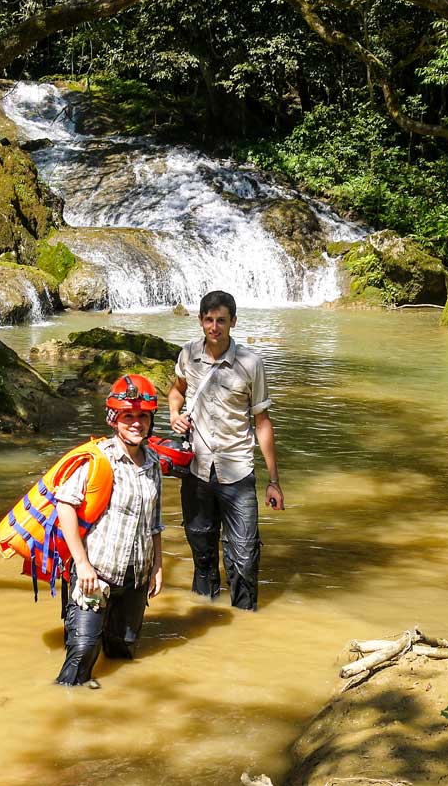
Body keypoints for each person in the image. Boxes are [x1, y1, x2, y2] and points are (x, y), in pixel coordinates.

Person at [168, 290, 282, 611]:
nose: (214, 327)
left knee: (244, 559)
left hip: (237, 471)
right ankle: (205, 627)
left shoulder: (250, 363)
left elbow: (262, 422)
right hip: (197, 472)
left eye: (221, 320)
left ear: (233, 321)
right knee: (202, 558)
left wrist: (273, 480)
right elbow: (176, 392)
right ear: (200, 321)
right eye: (208, 320)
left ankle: (245, 626)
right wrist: (175, 415)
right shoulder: (188, 355)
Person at [54, 374, 165, 686]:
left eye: (142, 416)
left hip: (135, 576)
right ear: (114, 420)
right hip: (96, 574)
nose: (136, 423)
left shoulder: (153, 461)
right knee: (83, 652)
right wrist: (82, 564)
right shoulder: (98, 459)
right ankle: (65, 706)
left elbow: (154, 520)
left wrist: (157, 566)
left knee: (121, 650)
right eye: (127, 416)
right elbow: (65, 506)